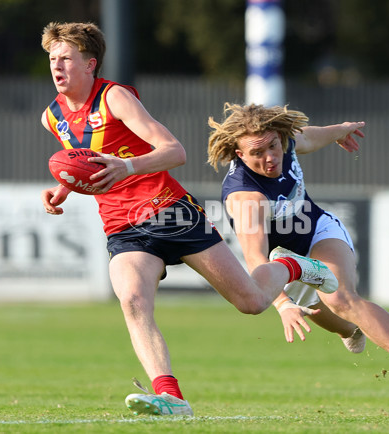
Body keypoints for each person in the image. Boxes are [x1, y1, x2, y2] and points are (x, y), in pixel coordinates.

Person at [39, 22, 337, 417]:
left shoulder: (115, 97)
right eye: (52, 60)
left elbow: (174, 151)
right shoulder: (52, 116)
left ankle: (293, 265)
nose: (57, 67)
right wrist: (65, 187)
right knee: (132, 299)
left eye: (66, 59)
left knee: (250, 301)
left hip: (169, 211)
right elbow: (87, 164)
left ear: (90, 64)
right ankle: (172, 398)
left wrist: (128, 168)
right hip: (121, 226)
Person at [207, 103, 389, 402]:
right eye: (257, 153)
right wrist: (283, 304)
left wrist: (340, 131)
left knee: (341, 298)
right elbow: (256, 259)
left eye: (273, 146)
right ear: (240, 155)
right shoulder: (246, 196)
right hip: (281, 261)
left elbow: (311, 137)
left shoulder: (287, 143)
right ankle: (351, 330)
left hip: (318, 231)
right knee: (333, 317)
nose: (270, 158)